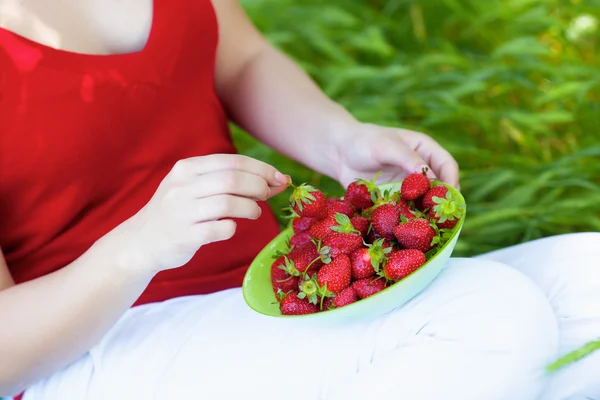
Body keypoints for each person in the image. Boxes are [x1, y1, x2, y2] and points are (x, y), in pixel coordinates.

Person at [0, 0, 598, 399]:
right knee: (489, 311)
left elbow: (242, 61)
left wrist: (340, 142)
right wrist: (135, 248)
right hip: (105, 349)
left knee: (589, 278)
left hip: (269, 295)